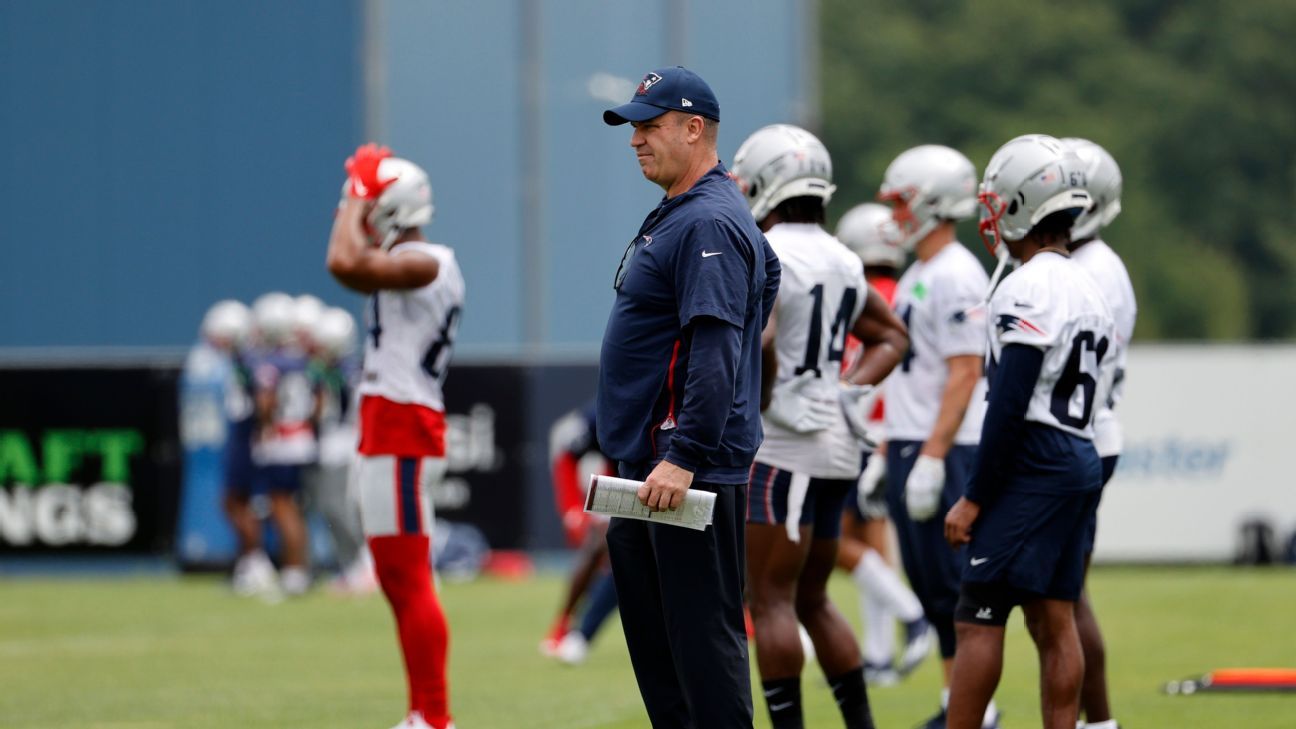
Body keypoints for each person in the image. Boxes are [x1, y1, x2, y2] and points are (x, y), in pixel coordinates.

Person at [597, 66, 779, 728]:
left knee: (702, 651)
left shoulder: (707, 220)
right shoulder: (691, 211)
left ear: (693, 128)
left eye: (649, 126)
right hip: (654, 468)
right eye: (633, 128)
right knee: (665, 659)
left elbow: (716, 342)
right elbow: (766, 285)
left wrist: (687, 450)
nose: (636, 139)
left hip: (680, 471)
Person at [730, 124, 909, 729]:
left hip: (785, 446)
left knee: (771, 598)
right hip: (834, 444)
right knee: (812, 596)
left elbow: (768, 340)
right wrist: (850, 390)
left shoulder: (767, 252)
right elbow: (891, 337)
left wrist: (761, 400)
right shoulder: (844, 257)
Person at [943, 133, 1115, 729]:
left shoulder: (1028, 284)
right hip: (1079, 453)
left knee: (977, 614)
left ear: (1021, 204)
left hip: (1037, 456)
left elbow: (1009, 401)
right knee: (1054, 615)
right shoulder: (1088, 283)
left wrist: (974, 496)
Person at [326, 143, 465, 729]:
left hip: (404, 426)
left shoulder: (429, 260)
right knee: (395, 577)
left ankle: (432, 715)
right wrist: (360, 199)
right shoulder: (418, 261)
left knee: (408, 579)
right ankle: (422, 712)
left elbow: (343, 263)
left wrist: (353, 199)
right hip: (392, 426)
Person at [863, 145, 999, 729]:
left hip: (944, 447)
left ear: (932, 202)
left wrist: (933, 457)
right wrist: (889, 449)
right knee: (931, 589)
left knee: (956, 589)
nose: (892, 215)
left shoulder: (957, 273)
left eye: (899, 202)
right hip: (913, 441)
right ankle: (958, 706)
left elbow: (966, 371)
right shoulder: (920, 272)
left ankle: (978, 712)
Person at [834, 202, 933, 686]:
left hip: (862, 437)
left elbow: (854, 375)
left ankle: (912, 616)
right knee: (871, 544)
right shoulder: (913, 289)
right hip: (901, 437)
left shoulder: (860, 297)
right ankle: (876, 656)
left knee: (829, 541)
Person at [1062, 137, 1136, 729]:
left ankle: (1100, 721)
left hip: (1076, 436)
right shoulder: (1089, 265)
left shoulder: (1090, 271)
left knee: (1063, 598)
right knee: (1062, 597)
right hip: (1084, 432)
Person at [539, 402, 619, 666]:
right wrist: (573, 509)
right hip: (622, 487)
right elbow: (567, 455)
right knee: (600, 547)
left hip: (671, 484)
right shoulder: (608, 408)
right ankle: (565, 625)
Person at [304, 306, 376, 595]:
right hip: (340, 441)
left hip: (343, 443)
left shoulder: (337, 370)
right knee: (331, 508)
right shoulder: (350, 366)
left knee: (339, 508)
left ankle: (364, 564)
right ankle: (352, 566)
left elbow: (323, 408)